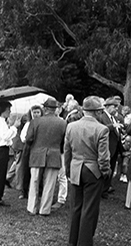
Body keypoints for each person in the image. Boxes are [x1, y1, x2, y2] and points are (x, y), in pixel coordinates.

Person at [64, 96, 111, 246]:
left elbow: (67, 151)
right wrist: (106, 172)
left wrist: (68, 171)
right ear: (97, 112)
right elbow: (103, 158)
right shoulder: (102, 129)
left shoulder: (71, 126)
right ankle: (84, 242)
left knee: (76, 207)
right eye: (101, 111)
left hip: (76, 168)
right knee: (89, 208)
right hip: (93, 171)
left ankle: (73, 241)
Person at [25, 98, 67, 216]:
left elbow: (28, 138)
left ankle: (32, 207)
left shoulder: (35, 122)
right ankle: (44, 209)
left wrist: (33, 146)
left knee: (34, 182)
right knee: (50, 184)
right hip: (54, 154)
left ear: (44, 109)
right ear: (55, 110)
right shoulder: (63, 123)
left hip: (37, 154)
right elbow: (65, 142)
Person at [0, 101, 21, 207]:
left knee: (1, 174)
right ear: (3, 110)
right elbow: (5, 136)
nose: (10, 112)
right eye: (9, 110)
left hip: (2, 150)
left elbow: (6, 138)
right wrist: (14, 127)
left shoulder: (3, 121)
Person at [99, 97, 123, 199]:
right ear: (107, 107)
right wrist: (113, 126)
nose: (116, 109)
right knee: (104, 169)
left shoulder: (115, 117)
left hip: (114, 149)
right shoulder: (102, 117)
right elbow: (101, 129)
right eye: (114, 106)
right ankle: (101, 190)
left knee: (111, 169)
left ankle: (106, 188)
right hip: (106, 148)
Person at [18, 105, 44, 199]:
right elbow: (22, 137)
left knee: (39, 169)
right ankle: (24, 191)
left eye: (38, 112)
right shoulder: (28, 124)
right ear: (31, 113)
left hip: (39, 148)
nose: (36, 114)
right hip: (28, 148)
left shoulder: (42, 123)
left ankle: (39, 190)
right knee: (25, 169)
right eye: (34, 112)